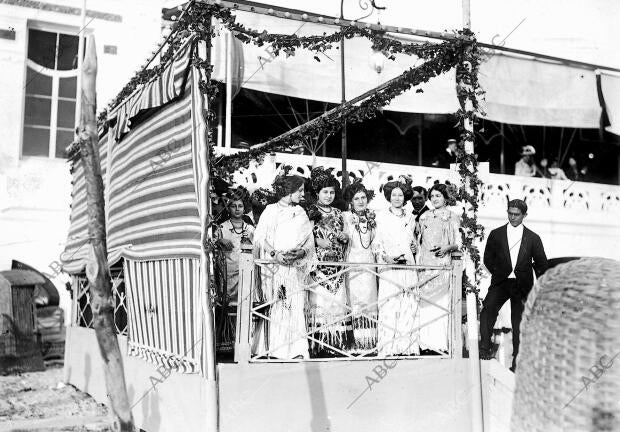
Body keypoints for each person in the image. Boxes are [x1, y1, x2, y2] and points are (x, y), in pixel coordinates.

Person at [253, 170, 316, 359]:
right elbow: (260, 237)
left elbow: (309, 240)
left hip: (293, 267)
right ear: (289, 191)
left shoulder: (301, 212)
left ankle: (295, 349)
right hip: (275, 267)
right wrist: (275, 253)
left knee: (293, 304)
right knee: (280, 303)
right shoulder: (271, 210)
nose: (303, 195)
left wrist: (302, 252)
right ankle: (274, 348)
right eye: (300, 191)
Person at [479, 199, 548, 371]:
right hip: (500, 282)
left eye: (517, 214)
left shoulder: (533, 238)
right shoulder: (496, 234)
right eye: (510, 213)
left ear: (525, 215)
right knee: (488, 308)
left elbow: (541, 263)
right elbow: (488, 258)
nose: (512, 217)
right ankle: (484, 349)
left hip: (522, 285)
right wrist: (500, 271)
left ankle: (517, 362)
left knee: (519, 322)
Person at [306, 167, 350, 357]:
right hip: (319, 265)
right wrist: (316, 240)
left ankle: (335, 343)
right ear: (317, 192)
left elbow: (347, 235)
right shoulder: (309, 211)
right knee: (320, 302)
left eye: (332, 192)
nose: (329, 195)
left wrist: (344, 236)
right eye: (325, 192)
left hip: (337, 264)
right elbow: (304, 235)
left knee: (336, 302)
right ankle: (318, 345)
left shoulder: (340, 213)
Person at [375, 178, 420, 356]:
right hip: (389, 265)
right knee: (390, 303)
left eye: (400, 195)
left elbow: (412, 240)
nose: (397, 198)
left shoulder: (411, 217)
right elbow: (377, 243)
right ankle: (388, 347)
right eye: (394, 195)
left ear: (405, 197)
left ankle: (407, 346)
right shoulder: (381, 217)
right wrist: (386, 258)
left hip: (408, 265)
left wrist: (415, 246)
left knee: (408, 302)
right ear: (388, 196)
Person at [416, 183, 461, 354]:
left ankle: (440, 345)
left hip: (442, 266)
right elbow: (419, 241)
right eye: (432, 196)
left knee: (440, 304)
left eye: (438, 196)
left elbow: (459, 241)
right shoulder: (424, 217)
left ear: (445, 198)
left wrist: (447, 248)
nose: (435, 199)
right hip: (425, 265)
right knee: (425, 305)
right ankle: (425, 344)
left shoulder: (452, 216)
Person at [213, 189, 256, 353]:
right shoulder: (221, 229)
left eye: (240, 206)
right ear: (228, 209)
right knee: (227, 306)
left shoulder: (251, 229)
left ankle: (245, 341)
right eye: (233, 206)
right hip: (228, 274)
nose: (237, 209)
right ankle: (226, 342)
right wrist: (218, 242)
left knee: (245, 304)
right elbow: (213, 248)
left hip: (246, 273)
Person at [342, 180, 378, 354]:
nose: (361, 201)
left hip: (369, 265)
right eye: (357, 198)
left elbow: (376, 242)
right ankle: (353, 343)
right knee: (354, 301)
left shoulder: (373, 217)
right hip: (352, 264)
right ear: (351, 201)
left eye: (363, 197)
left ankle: (369, 343)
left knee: (369, 301)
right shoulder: (345, 217)